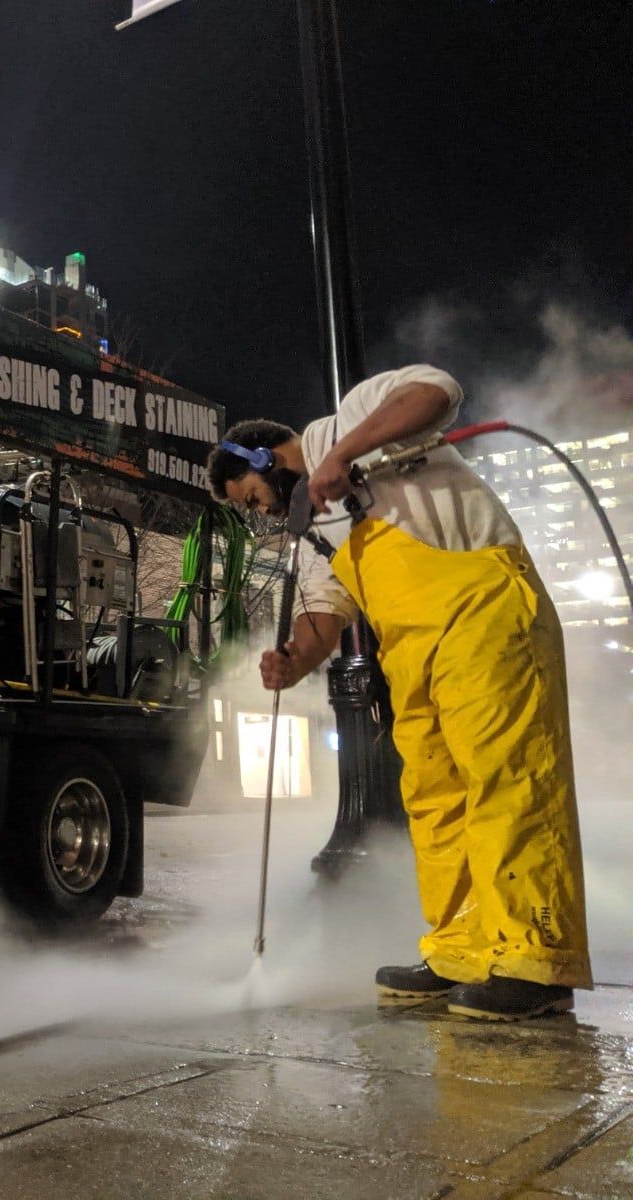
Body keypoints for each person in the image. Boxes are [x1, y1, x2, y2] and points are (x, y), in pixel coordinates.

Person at [206, 364, 592, 1021]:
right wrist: (292, 661)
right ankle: (462, 950)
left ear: (266, 458)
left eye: (251, 498)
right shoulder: (315, 540)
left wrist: (347, 454)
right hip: (416, 660)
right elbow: (324, 619)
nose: (262, 513)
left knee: (509, 778)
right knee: (435, 796)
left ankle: (535, 960)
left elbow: (437, 392)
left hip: (484, 613)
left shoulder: (349, 421)